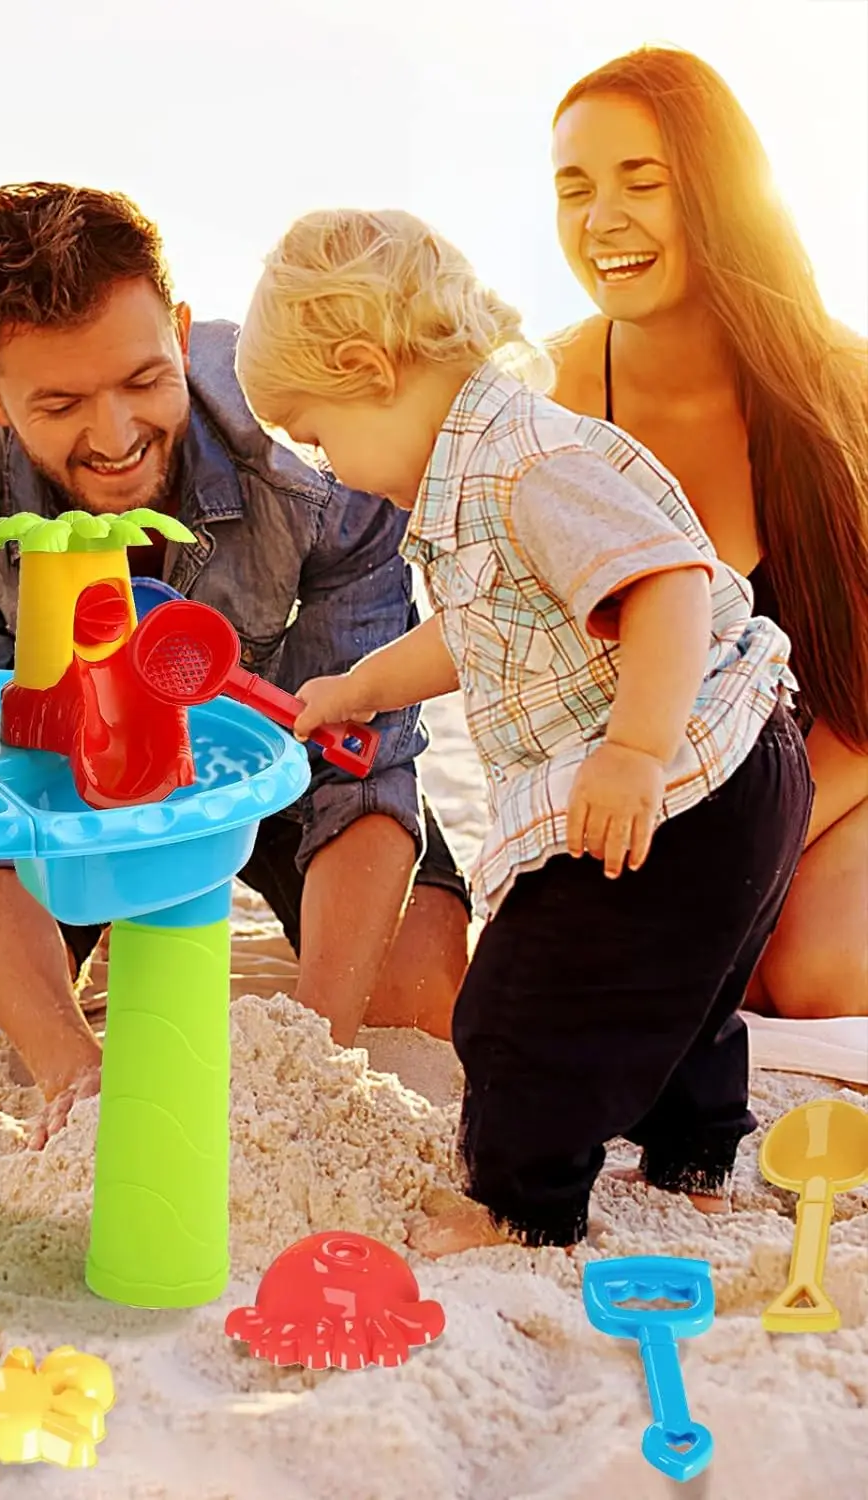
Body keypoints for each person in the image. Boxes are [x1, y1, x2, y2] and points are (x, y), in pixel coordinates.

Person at [235, 207, 809, 1255]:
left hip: (681, 776)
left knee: (516, 1008)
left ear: (370, 366)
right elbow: (478, 626)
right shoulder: (476, 483)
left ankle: (520, 1204)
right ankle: (693, 1163)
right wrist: (359, 685)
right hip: (731, 773)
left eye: (320, 436)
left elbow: (669, 585)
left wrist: (634, 752)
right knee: (685, 982)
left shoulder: (523, 462)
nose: (332, 470)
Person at [0, 183, 472, 1118]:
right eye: (61, 403)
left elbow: (366, 769)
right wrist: (71, 1075)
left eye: (141, 380)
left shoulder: (316, 452)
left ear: (179, 326)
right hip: (64, 794)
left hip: (281, 763)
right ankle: (118, 929)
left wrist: (309, 1059)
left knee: (418, 996)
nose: (117, 437)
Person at [548, 46, 868, 1020]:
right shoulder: (546, 400)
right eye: (574, 188)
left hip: (837, 778)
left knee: (815, 972)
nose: (602, 219)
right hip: (644, 815)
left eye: (642, 181)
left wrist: (749, 853)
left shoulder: (841, 386)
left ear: (721, 193)